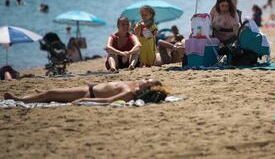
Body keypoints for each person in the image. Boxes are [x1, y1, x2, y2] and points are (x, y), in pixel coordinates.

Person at [4, 79, 168, 104]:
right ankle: (39, 95)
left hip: (88, 94)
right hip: (88, 88)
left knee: (50, 94)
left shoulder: (129, 93)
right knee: (50, 92)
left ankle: (20, 99)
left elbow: (107, 101)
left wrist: (83, 101)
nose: (144, 79)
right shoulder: (131, 85)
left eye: (147, 81)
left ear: (146, 89)